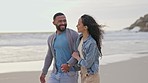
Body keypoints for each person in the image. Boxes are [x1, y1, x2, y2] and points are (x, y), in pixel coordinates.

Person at [40, 12, 79, 83]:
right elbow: (49, 56)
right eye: (60, 21)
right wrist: (44, 73)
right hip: (55, 74)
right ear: (54, 22)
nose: (63, 23)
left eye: (64, 20)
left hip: (70, 74)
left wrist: (68, 64)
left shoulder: (73, 35)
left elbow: (78, 53)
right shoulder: (51, 38)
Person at [72, 14, 103, 83]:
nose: (77, 26)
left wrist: (77, 57)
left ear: (85, 27)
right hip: (83, 74)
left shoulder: (92, 43)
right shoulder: (80, 38)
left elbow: (87, 64)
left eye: (79, 24)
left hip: (91, 76)